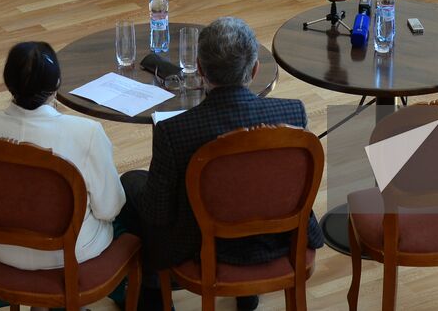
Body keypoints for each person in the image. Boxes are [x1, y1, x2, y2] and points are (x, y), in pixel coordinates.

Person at [121, 16, 322, 305]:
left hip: (204, 249)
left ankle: (151, 295)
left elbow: (157, 214)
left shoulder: (174, 132)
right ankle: (246, 295)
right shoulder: (293, 113)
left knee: (131, 184)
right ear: (254, 70)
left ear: (201, 69)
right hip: (278, 240)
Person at [0, 40, 125, 310]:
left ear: (7, 81)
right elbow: (110, 208)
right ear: (58, 83)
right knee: (129, 217)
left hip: (2, 249)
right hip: (70, 255)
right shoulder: (86, 133)